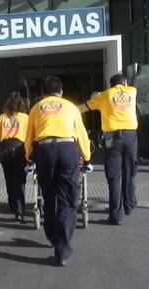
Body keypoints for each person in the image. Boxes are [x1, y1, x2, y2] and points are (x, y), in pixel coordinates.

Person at [24, 76, 92, 266]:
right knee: (68, 199)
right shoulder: (70, 106)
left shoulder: (36, 108)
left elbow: (29, 136)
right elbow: (81, 133)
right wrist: (86, 157)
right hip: (67, 149)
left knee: (49, 196)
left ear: (43, 93)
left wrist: (29, 157)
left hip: (44, 151)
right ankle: (61, 249)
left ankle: (53, 236)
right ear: (61, 92)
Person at [78, 74, 138, 226]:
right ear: (124, 83)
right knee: (129, 171)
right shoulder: (132, 91)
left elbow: (83, 108)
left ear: (110, 85)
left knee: (114, 176)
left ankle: (116, 216)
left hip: (112, 139)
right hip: (131, 137)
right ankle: (129, 206)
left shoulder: (103, 96)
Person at [0, 91, 29, 222]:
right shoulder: (25, 117)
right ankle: (19, 211)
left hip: (5, 150)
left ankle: (12, 205)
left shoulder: (1, 118)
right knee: (20, 180)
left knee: (9, 179)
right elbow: (30, 135)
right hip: (20, 149)